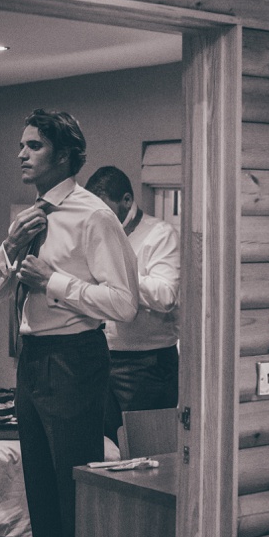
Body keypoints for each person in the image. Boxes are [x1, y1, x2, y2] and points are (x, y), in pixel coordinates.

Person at [0, 109, 138, 537]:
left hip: (76, 360)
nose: (21, 154)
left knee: (72, 496)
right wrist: (9, 249)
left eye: (34, 146)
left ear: (64, 154)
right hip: (34, 362)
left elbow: (125, 304)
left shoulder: (95, 217)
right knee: (41, 493)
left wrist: (56, 282)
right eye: (21, 145)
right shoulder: (28, 217)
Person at [84, 166, 181, 452]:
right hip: (102, 359)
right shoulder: (97, 236)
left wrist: (121, 279)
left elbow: (166, 296)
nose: (99, 217)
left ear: (126, 200)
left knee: (147, 456)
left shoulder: (160, 235)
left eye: (105, 209)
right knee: (106, 453)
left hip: (148, 366)